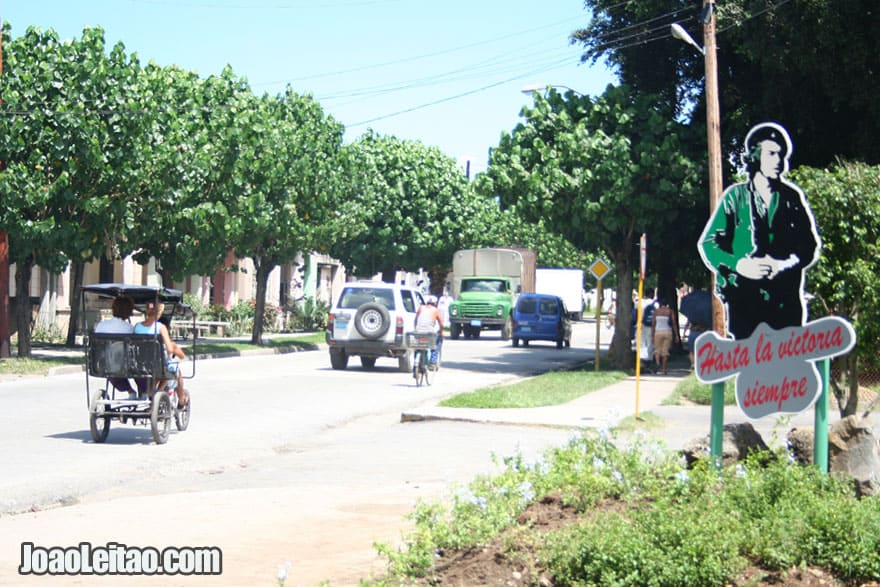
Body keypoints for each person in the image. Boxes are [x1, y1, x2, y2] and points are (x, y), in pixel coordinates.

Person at [698, 122, 820, 339]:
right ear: (755, 155)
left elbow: (808, 246)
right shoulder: (735, 197)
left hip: (786, 304)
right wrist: (739, 264)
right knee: (750, 368)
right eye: (771, 153)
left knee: (786, 369)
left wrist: (783, 264)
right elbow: (709, 244)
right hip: (744, 304)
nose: (778, 161)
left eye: (781, 155)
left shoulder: (791, 197)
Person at [134, 300, 188, 408]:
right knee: (175, 371)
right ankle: (180, 400)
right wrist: (170, 352)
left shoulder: (137, 327)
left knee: (162, 369)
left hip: (141, 364)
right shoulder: (160, 327)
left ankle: (151, 391)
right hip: (158, 364)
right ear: (159, 312)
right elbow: (169, 349)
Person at [94, 295, 143, 398]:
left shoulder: (100, 325)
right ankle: (144, 392)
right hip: (124, 364)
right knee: (140, 369)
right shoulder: (129, 328)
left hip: (104, 363)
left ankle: (130, 391)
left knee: (112, 370)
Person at [413, 295, 444, 371]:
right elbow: (441, 324)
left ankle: (416, 364)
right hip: (429, 333)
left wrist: (416, 329)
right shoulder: (435, 310)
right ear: (435, 303)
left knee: (418, 347)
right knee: (437, 343)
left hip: (418, 332)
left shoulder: (420, 308)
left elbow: (415, 320)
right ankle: (432, 363)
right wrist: (441, 332)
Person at [651, 300, 674, 375]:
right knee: (665, 351)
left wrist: (652, 335)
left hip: (658, 332)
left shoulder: (656, 312)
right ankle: (664, 369)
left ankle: (658, 365)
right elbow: (674, 323)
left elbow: (653, 324)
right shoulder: (670, 311)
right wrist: (676, 335)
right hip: (668, 332)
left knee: (657, 350)